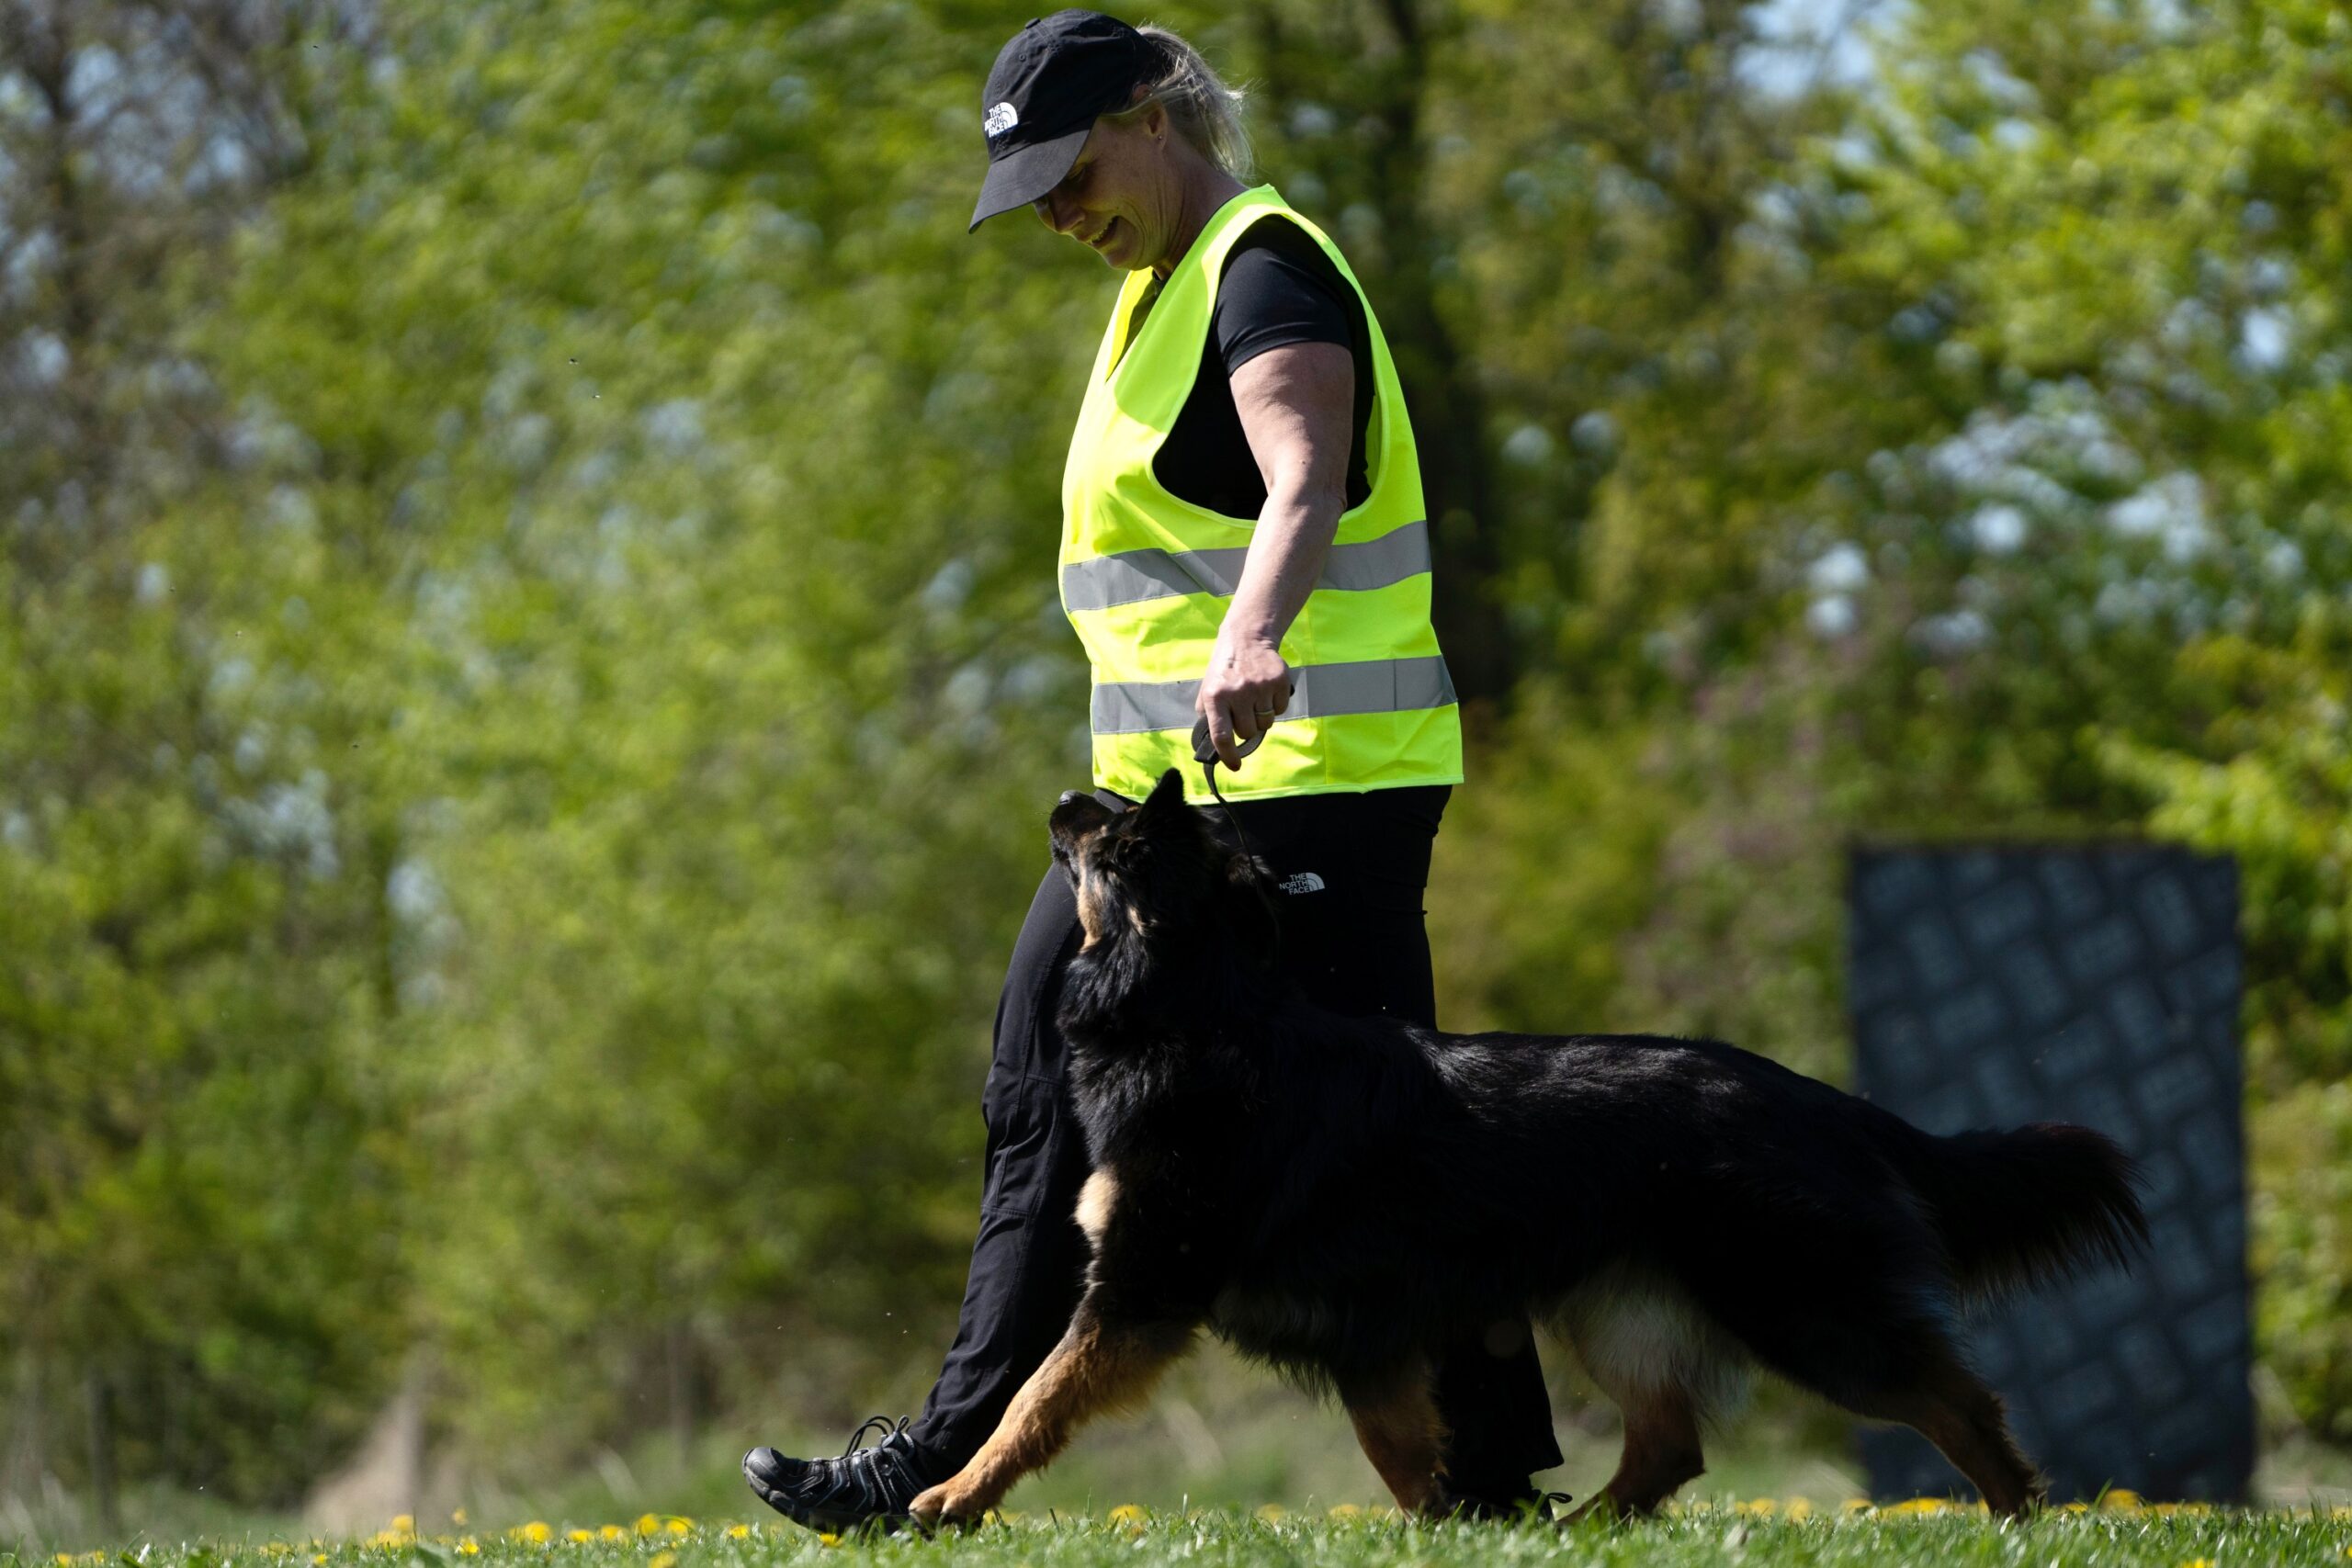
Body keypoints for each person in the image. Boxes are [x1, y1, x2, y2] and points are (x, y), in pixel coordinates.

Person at [742, 8, 1562, 1529]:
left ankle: (1496, 1484)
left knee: (1401, 1146)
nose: (1058, 211)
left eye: (1073, 170)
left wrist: (1257, 631)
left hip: (1319, 784)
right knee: (1034, 1084)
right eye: (1034, 192)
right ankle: (937, 1459)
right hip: (1161, 815)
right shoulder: (1149, 295)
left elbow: (1305, 472)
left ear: (1153, 114)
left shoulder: (1263, 269)